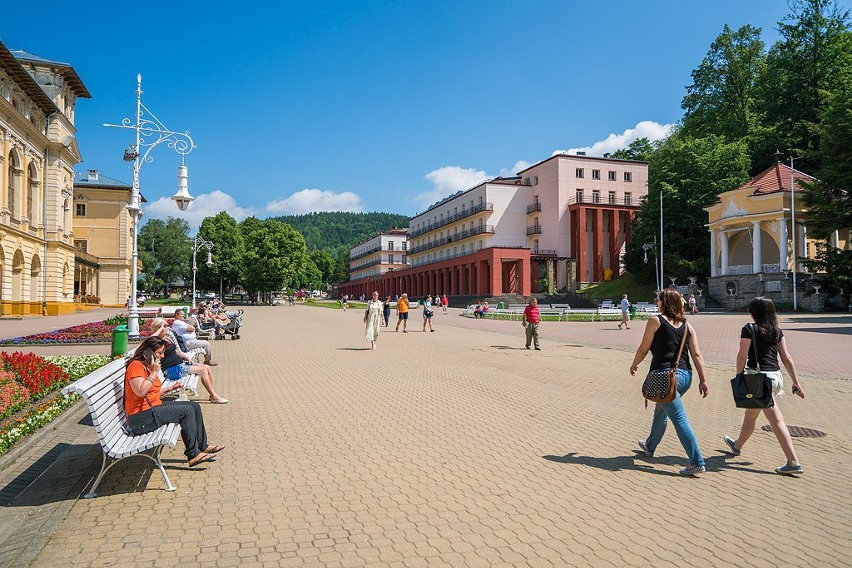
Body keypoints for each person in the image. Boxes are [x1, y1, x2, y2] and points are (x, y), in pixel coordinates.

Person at [629, 288, 709, 476]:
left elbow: (643, 348)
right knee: (661, 410)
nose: (657, 302)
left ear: (665, 302)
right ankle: (649, 445)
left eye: (659, 300)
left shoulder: (655, 321)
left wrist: (634, 364)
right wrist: (703, 380)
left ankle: (697, 461)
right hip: (686, 377)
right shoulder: (688, 325)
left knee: (679, 419)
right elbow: (697, 354)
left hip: (664, 376)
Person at [724, 297, 806, 475]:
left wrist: (739, 376)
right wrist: (795, 382)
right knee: (751, 415)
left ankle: (793, 462)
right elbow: (786, 358)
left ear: (755, 312)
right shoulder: (777, 331)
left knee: (776, 420)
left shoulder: (749, 329)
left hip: (760, 380)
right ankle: (737, 445)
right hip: (775, 378)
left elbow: (742, 355)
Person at [124, 335, 224, 467]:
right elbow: (141, 391)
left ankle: (202, 446)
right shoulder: (135, 366)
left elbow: (150, 392)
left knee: (194, 406)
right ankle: (193, 454)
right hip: (140, 418)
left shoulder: (147, 366)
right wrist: (154, 373)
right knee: (186, 411)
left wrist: (170, 388)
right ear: (148, 352)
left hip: (151, 409)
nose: (163, 356)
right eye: (160, 353)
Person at [150, 318, 228, 404]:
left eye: (166, 326)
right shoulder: (156, 341)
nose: (167, 328)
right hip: (171, 370)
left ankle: (212, 395)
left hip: (180, 365)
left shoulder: (167, 338)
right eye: (164, 326)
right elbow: (150, 338)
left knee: (207, 367)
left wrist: (186, 358)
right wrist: (160, 329)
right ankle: (214, 396)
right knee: (203, 370)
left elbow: (177, 351)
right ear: (158, 328)